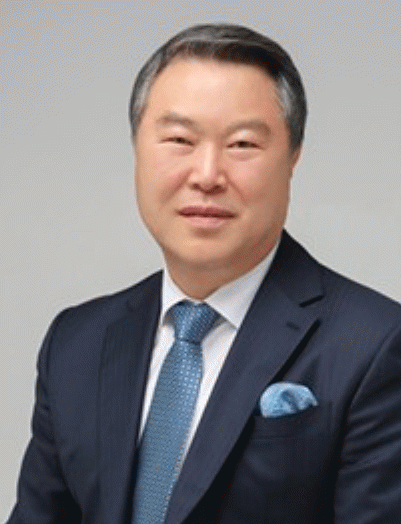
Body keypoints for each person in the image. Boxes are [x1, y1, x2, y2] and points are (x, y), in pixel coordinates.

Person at [7, 24, 401, 524]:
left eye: (242, 144)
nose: (208, 175)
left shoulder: (375, 344)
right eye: (179, 139)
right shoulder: (77, 343)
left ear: (293, 158)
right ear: (137, 149)